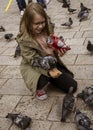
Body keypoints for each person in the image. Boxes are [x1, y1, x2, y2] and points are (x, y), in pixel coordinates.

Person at [16, 3, 77, 100]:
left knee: (72, 86)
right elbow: (33, 60)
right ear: (28, 22)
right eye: (36, 24)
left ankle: (52, 78)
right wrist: (48, 72)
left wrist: (57, 50)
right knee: (42, 79)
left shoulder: (47, 28)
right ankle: (39, 86)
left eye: (42, 22)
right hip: (34, 66)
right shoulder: (24, 40)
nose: (40, 26)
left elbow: (52, 46)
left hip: (51, 63)